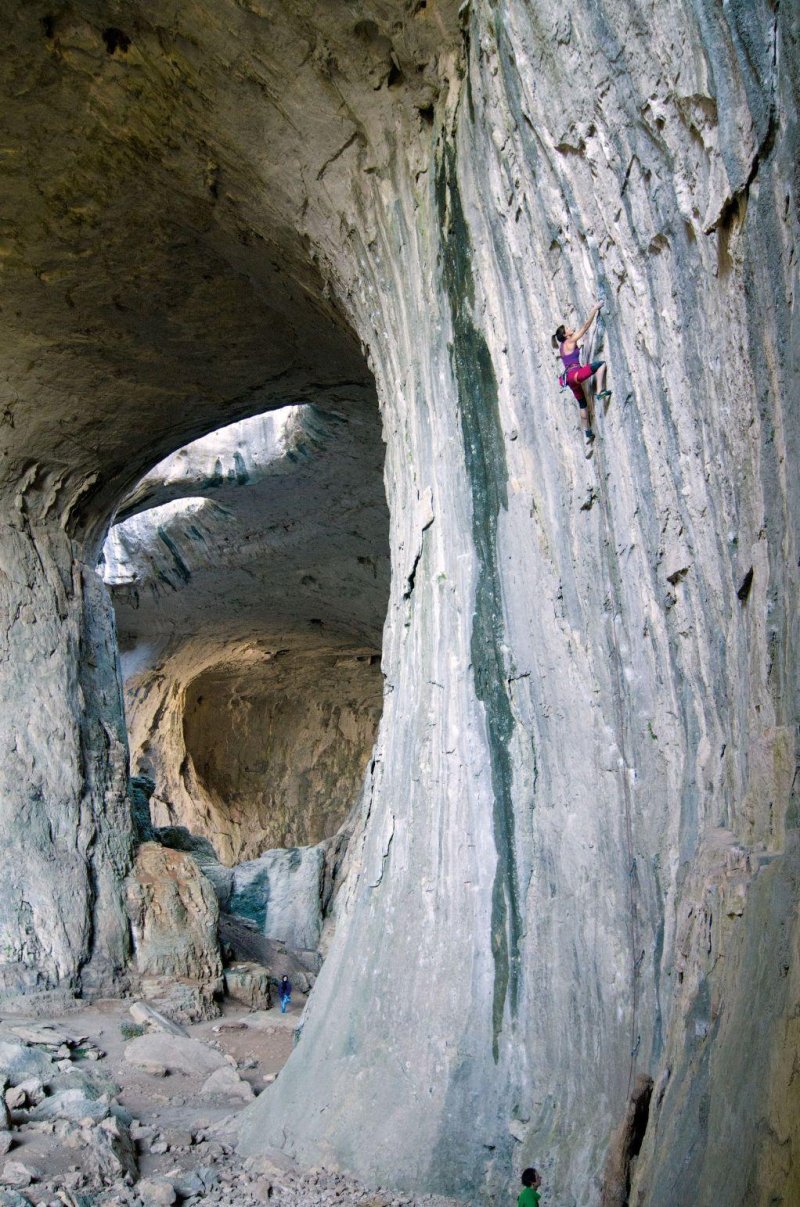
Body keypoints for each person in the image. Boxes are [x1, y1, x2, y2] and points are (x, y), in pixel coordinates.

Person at [553, 301, 611, 448]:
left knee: (582, 404)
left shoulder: (562, 347)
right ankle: (600, 391)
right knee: (601, 365)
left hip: (570, 381)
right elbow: (585, 326)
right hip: (576, 374)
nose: (570, 328)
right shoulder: (571, 340)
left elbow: (571, 355)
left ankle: (587, 432)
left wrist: (581, 347)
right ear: (566, 335)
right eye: (568, 328)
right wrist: (594, 309)